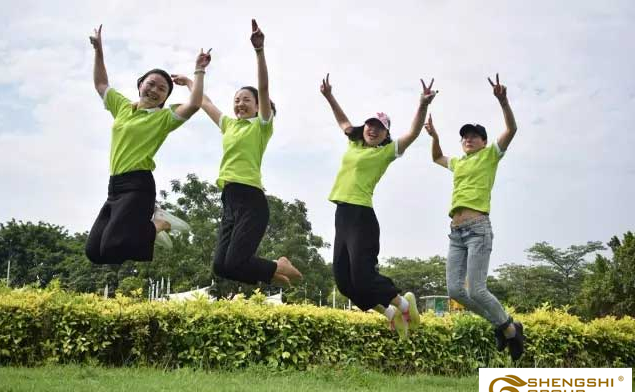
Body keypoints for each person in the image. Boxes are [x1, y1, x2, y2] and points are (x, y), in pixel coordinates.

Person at [172, 19, 302, 286]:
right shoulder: (229, 125)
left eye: (246, 100)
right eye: (236, 100)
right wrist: (193, 78)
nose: (240, 103)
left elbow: (263, 88)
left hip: (251, 199)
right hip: (229, 198)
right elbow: (205, 102)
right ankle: (271, 273)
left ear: (258, 106)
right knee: (221, 266)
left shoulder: (261, 126)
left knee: (234, 261)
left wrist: (259, 50)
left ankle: (278, 266)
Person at [321, 73, 437, 338]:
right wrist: (329, 96)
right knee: (344, 283)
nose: (372, 130)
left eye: (379, 128)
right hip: (342, 215)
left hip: (362, 216)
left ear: (385, 135)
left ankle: (405, 305)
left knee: (362, 276)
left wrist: (423, 103)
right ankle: (391, 314)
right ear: (364, 127)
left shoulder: (385, 153)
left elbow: (413, 133)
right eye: (370, 125)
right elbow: (343, 121)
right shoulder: (354, 143)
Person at [85, 24, 209, 264]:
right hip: (115, 186)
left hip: (138, 186)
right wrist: (98, 50)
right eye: (151, 84)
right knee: (95, 252)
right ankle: (148, 229)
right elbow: (101, 84)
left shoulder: (163, 118)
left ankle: (157, 224)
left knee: (112, 246)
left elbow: (194, 104)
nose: (154, 90)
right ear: (140, 84)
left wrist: (197, 72)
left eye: (162, 89)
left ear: (165, 99)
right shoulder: (122, 106)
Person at [427, 73, 525, 360]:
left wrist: (503, 101)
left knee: (477, 290)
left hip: (478, 228)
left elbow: (512, 129)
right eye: (464, 136)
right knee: (456, 291)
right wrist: (435, 138)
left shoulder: (490, 155)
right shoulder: (458, 162)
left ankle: (508, 329)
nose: (468, 139)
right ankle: (507, 327)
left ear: (483, 141)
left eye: (473, 136)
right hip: (456, 233)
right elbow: (437, 158)